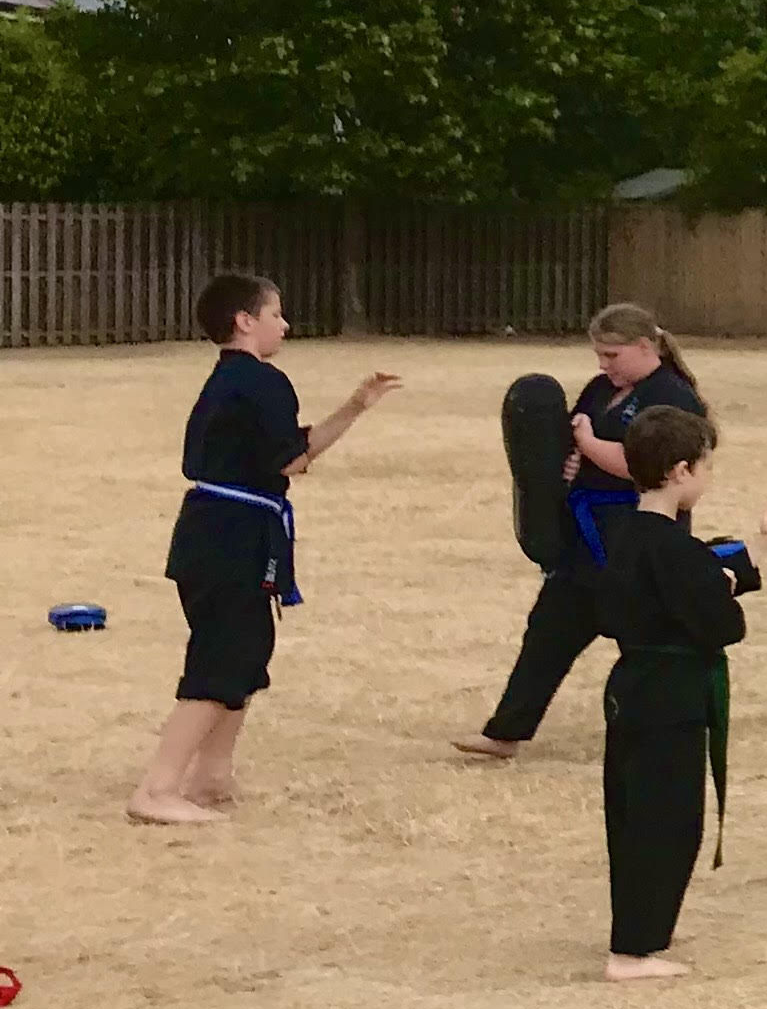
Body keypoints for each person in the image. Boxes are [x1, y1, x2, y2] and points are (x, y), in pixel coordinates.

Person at [127, 272, 399, 825]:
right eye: (276, 314)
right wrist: (338, 422)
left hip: (212, 531)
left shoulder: (228, 380)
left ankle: (211, 776)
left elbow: (289, 449)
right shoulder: (262, 381)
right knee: (223, 655)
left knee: (247, 650)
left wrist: (354, 406)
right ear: (245, 321)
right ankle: (156, 790)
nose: (285, 324)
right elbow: (293, 460)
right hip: (231, 536)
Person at [593, 407, 767, 983]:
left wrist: (761, 545)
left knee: (632, 814)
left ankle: (640, 928)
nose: (707, 478)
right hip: (672, 695)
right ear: (681, 470)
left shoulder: (625, 535)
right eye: (705, 467)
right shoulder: (673, 549)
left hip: (633, 685)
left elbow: (700, 583)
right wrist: (722, 588)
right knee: (669, 820)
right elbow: (719, 619)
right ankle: (632, 950)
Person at [460, 301, 705, 762]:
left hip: (639, 538)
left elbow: (647, 467)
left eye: (612, 355)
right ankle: (506, 732)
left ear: (644, 346)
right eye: (599, 355)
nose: (603, 365)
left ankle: (674, 729)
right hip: (586, 539)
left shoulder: (672, 398)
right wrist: (563, 463)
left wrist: (589, 445)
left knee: (648, 643)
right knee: (548, 633)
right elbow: (569, 443)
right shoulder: (599, 390)